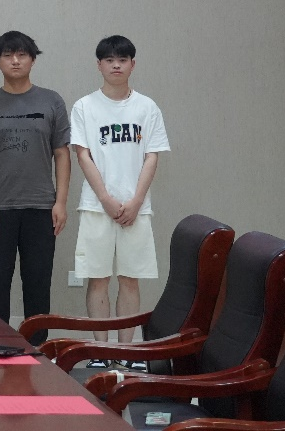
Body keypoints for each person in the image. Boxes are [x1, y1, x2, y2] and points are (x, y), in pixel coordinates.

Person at [71, 35, 170, 347]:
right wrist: (105, 198)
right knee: (97, 279)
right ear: (99, 65)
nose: (116, 65)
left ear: (132, 64)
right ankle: (102, 348)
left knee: (130, 279)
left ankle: (126, 350)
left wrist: (137, 200)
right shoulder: (84, 106)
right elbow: (82, 155)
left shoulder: (147, 107)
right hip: (96, 206)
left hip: (136, 209)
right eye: (110, 60)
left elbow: (152, 156)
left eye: (122, 60)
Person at [0, 31, 70, 345]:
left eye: (22, 55)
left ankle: (38, 349)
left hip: (41, 207)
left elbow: (61, 153)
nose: (15, 61)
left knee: (38, 283)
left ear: (32, 59)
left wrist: (60, 202)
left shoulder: (52, 101)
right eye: (7, 55)